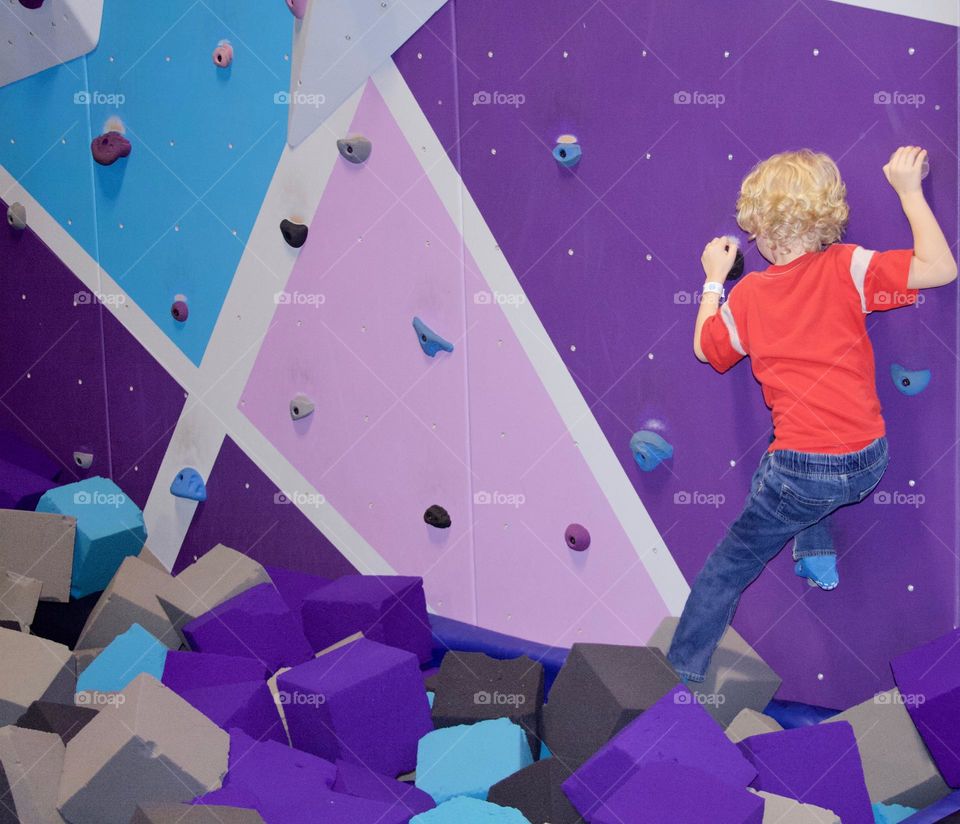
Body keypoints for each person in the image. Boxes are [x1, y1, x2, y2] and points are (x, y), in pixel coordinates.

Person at [666, 147, 957, 683]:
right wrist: (909, 190)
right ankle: (816, 548)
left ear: (755, 228)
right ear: (827, 220)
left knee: (730, 563)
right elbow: (940, 268)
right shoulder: (849, 266)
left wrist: (712, 280)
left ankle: (677, 676)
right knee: (779, 480)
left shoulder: (749, 294)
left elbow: (707, 350)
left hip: (804, 468)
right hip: (868, 459)